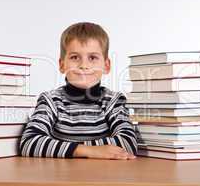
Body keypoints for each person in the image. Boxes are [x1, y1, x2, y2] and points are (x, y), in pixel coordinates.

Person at [20, 22, 137, 160]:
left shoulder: (113, 101)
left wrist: (63, 149)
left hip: (102, 177)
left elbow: (127, 142)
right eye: (75, 57)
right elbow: (29, 142)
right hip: (61, 177)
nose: (84, 65)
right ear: (62, 65)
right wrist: (91, 151)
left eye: (92, 58)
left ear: (106, 66)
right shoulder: (51, 100)